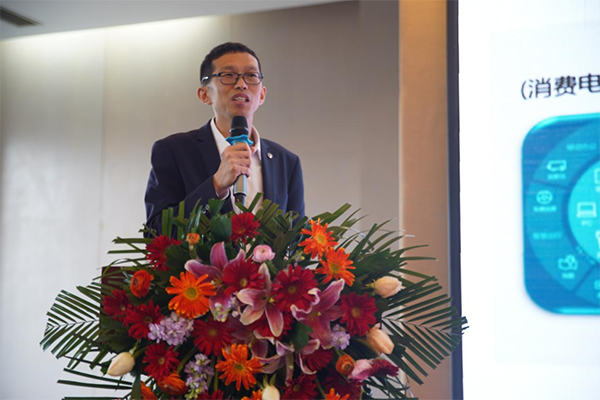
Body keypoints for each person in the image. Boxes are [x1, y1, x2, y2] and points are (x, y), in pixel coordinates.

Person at [144, 42, 305, 234]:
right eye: (228, 75)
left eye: (251, 75)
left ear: (262, 95)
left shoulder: (286, 162)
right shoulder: (174, 151)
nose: (241, 84)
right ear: (204, 94)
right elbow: (156, 233)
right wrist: (215, 186)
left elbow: (296, 239)